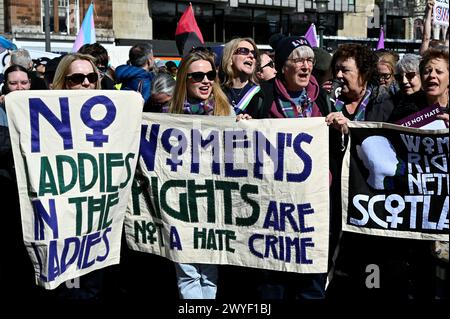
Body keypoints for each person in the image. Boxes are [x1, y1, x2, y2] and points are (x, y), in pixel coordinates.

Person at [251, 35, 329, 300]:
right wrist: (243, 123)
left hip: (312, 205)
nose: (305, 66)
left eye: (309, 60)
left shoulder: (322, 100)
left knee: (311, 281)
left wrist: (340, 128)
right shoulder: (263, 96)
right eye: (298, 60)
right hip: (274, 206)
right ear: (283, 66)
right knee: (274, 283)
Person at [165, 50, 234, 299]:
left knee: (209, 274)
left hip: (214, 205)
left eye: (210, 74)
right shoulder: (165, 115)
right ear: (185, 79)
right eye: (197, 76)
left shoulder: (228, 113)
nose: (206, 80)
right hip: (181, 206)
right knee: (188, 275)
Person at [0, 65, 37, 301]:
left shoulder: (39, 108)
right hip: (7, 190)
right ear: (6, 86)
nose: (19, 87)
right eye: (14, 83)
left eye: (24, 82)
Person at [221, 37, 264, 118]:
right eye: (244, 51)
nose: (251, 56)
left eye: (254, 53)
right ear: (230, 57)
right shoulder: (217, 92)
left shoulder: (262, 93)